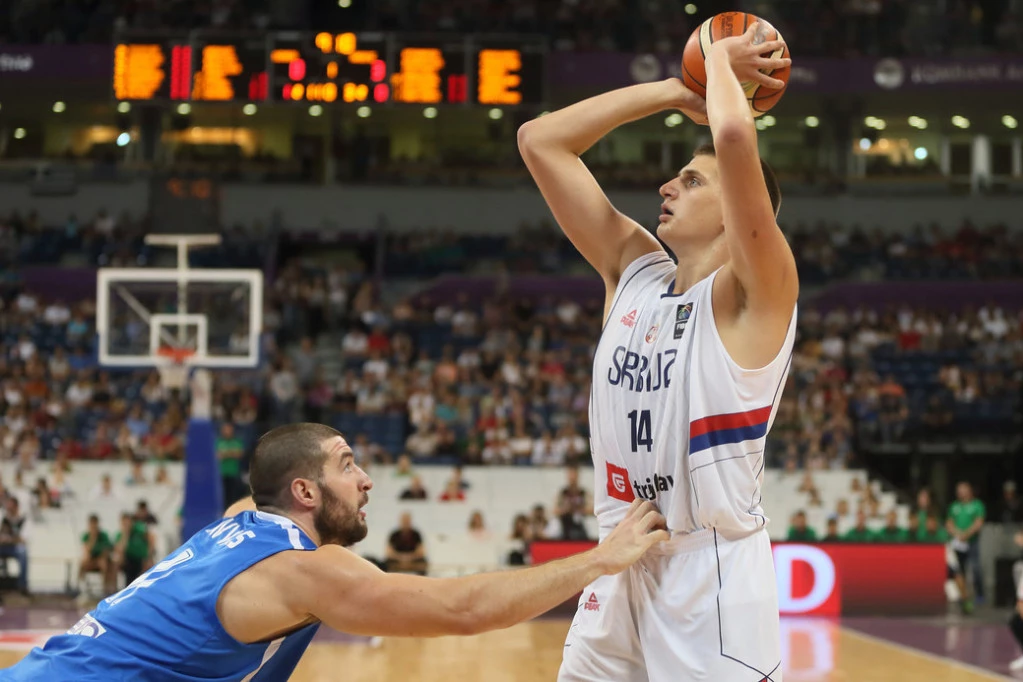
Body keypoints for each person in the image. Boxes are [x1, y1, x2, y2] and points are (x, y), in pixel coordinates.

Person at [519, 22, 794, 681]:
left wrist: (718, 61)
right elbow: (540, 140)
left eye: (692, 182)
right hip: (618, 559)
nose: (667, 188)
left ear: (736, 208)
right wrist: (676, 89)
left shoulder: (757, 292)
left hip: (712, 579)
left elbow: (734, 138)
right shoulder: (634, 271)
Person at [0, 423, 669, 681]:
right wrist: (597, 560)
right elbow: (460, 610)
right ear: (305, 492)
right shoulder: (300, 571)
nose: (367, 479)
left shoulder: (243, 523)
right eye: (348, 465)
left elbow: (256, 495)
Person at [946, 480, 986, 610]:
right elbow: (949, 523)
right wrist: (958, 534)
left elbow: (979, 522)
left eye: (963, 489)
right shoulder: (954, 506)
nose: (960, 492)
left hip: (972, 542)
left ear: (969, 491)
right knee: (959, 570)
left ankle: (980, 594)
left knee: (975, 568)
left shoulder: (977, 505)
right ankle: (963, 596)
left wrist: (966, 534)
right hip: (958, 543)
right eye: (959, 490)